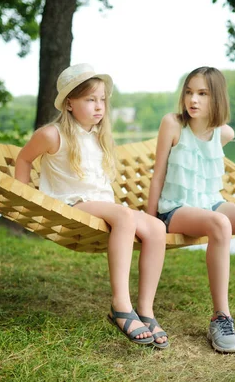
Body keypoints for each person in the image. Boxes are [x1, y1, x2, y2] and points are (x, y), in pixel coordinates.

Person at [15, 63, 169, 349]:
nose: (99, 106)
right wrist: (26, 199)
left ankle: (145, 310)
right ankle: (120, 306)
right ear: (69, 103)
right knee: (124, 215)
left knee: (158, 227)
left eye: (102, 100)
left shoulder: (99, 136)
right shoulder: (52, 135)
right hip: (71, 205)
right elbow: (23, 159)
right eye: (90, 99)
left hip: (102, 205)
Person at [147, 66, 235, 353]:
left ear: (217, 98)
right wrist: (152, 221)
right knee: (220, 224)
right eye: (189, 92)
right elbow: (158, 174)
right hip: (175, 209)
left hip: (210, 202)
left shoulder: (224, 133)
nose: (194, 100)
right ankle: (221, 317)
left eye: (202, 93)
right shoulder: (172, 124)